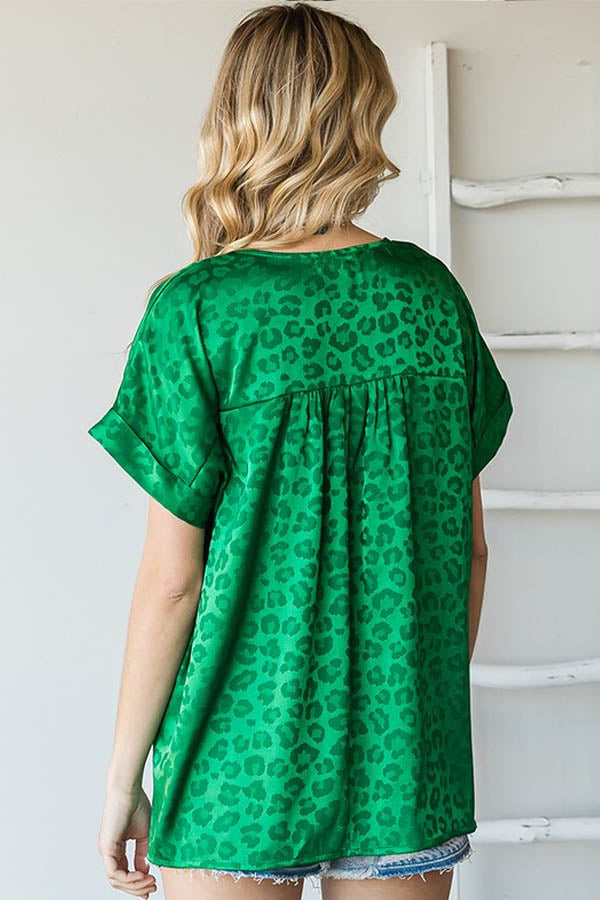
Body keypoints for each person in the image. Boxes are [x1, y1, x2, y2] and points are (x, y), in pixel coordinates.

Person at [88, 3, 513, 899]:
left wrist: (124, 777)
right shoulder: (431, 297)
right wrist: (411, 707)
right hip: (404, 760)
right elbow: (468, 551)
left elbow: (173, 581)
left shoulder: (199, 309)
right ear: (363, 117)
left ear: (236, 116)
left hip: (235, 763)